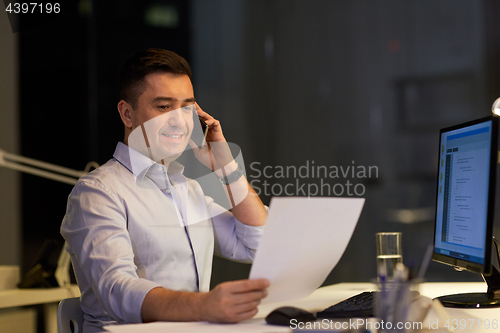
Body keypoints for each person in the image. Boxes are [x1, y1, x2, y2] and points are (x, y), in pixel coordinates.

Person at [61, 48, 269, 332]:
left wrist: (225, 165)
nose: (179, 120)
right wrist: (204, 306)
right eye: (163, 106)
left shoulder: (187, 188)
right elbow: (117, 289)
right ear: (127, 113)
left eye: (186, 107)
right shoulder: (97, 192)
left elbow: (258, 245)